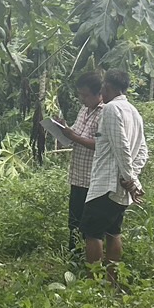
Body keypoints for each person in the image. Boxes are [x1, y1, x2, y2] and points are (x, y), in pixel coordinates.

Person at [81, 69, 148, 285]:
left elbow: (122, 147)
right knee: (113, 231)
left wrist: (129, 179)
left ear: (107, 87)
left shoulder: (111, 109)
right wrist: (132, 179)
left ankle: (94, 282)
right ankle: (112, 281)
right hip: (119, 186)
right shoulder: (134, 112)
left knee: (92, 233)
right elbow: (143, 151)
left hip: (106, 184)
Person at [51, 72, 103, 249]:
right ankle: (73, 255)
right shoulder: (84, 109)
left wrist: (72, 135)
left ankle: (86, 260)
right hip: (77, 175)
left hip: (92, 179)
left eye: (86, 95)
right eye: (80, 94)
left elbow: (100, 145)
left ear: (99, 93)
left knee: (88, 224)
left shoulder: (105, 112)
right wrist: (63, 129)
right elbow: (75, 133)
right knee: (73, 220)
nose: (82, 99)